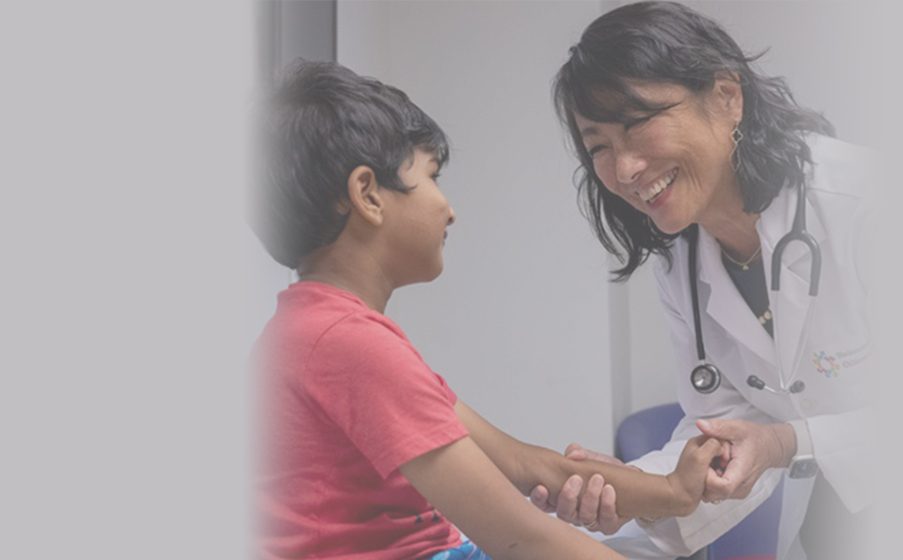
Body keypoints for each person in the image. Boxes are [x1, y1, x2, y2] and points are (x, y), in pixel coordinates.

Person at [249, 60, 728, 560]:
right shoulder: (349, 345)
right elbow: (522, 538)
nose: (449, 208)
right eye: (432, 176)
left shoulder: (322, 329)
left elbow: (525, 464)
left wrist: (674, 492)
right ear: (368, 194)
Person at [530, 2, 876, 559]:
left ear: (726, 97)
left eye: (637, 123)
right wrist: (635, 491)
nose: (624, 170)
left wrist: (786, 441)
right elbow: (729, 424)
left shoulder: (864, 203)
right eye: (598, 147)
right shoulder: (684, 260)